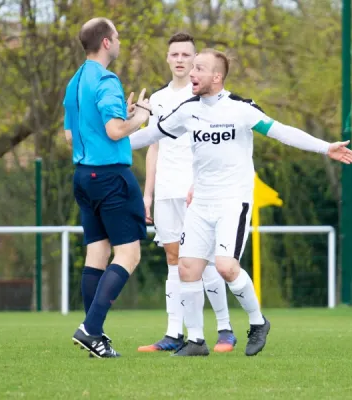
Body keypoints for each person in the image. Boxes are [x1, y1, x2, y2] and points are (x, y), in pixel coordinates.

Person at [128, 49, 352, 356]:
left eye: (199, 68)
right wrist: (104, 145)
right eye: (192, 68)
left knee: (224, 267)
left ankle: (257, 321)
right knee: (187, 268)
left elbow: (282, 132)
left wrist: (325, 147)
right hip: (200, 203)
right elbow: (149, 136)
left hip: (232, 202)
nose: (192, 73)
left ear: (217, 77)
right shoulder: (187, 111)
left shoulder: (241, 109)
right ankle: (196, 340)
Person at [138, 33, 237, 353]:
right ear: (167, 59)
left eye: (187, 56)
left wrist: (201, 182)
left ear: (196, 63)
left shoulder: (206, 98)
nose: (180, 60)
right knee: (173, 260)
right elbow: (153, 146)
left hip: (199, 191)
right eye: (175, 54)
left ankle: (225, 329)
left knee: (205, 263)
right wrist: (147, 194)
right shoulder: (156, 100)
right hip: (166, 190)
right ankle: (173, 333)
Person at [63, 17, 152, 358]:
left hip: (83, 177)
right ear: (105, 42)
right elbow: (116, 131)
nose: (119, 41)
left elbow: (71, 134)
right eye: (117, 35)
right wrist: (139, 117)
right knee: (129, 254)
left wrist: (122, 117)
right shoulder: (107, 79)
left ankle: (93, 337)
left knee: (97, 253)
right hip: (111, 177)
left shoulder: (75, 82)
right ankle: (91, 329)